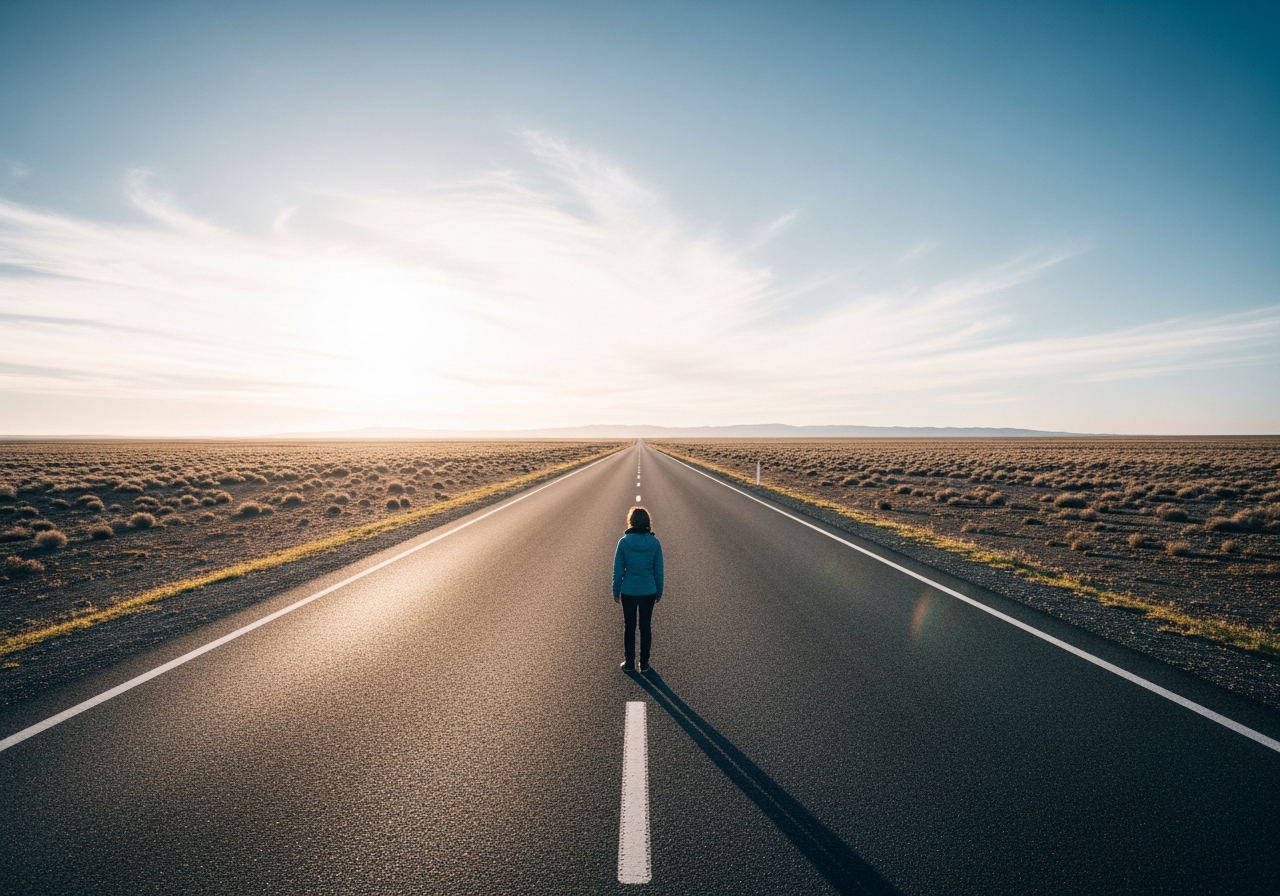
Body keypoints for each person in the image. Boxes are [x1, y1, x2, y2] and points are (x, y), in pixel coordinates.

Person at [613, 505, 664, 673]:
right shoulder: (655, 543)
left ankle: (629, 663)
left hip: (628, 591)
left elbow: (618, 569)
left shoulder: (623, 543)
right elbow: (658, 570)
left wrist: (616, 590)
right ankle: (645, 664)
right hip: (648, 590)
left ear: (631, 522)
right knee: (645, 627)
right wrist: (659, 590)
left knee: (629, 627)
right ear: (647, 523)